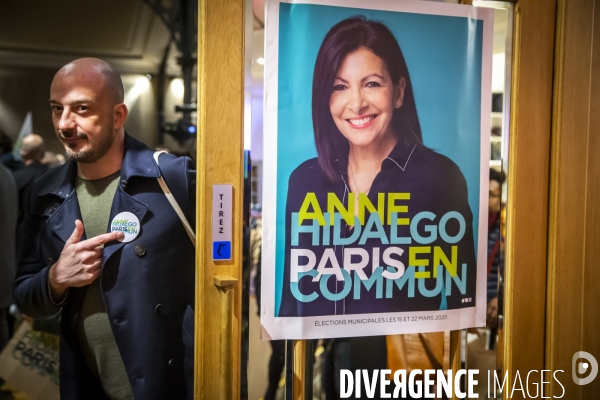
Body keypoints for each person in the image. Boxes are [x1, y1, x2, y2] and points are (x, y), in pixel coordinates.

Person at [13, 58, 195, 400]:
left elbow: (224, 280)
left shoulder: (171, 179)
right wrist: (56, 278)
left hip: (168, 383)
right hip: (87, 384)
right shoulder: (45, 193)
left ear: (118, 115)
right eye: (57, 109)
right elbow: (24, 293)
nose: (65, 123)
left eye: (82, 108)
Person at [279, 16, 476, 318]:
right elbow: (292, 303)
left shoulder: (441, 178)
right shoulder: (305, 181)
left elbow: (463, 306)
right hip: (319, 363)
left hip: (400, 365)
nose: (356, 104)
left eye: (371, 84)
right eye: (339, 87)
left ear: (398, 92)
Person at [12, 134, 49, 234]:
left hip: (18, 235)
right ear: (43, 154)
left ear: (22, 153)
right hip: (46, 237)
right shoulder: (54, 176)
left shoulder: (13, 177)